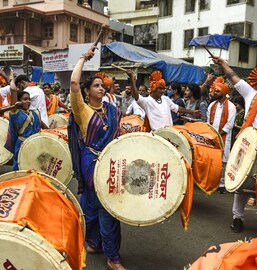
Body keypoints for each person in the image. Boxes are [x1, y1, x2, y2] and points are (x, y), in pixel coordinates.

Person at [67, 47, 127, 270]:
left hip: (110, 161)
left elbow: (117, 134)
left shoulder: (111, 110)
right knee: (108, 207)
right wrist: (83, 58)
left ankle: (93, 242)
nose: (102, 88)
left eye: (103, 86)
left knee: (92, 204)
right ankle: (113, 257)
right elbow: (73, 83)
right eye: (96, 85)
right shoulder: (81, 110)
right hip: (91, 162)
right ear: (86, 90)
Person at [212, 57, 257, 233]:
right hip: (249, 148)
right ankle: (237, 218)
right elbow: (234, 77)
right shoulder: (251, 95)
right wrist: (222, 64)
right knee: (241, 183)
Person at [127, 70, 201, 131]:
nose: (163, 91)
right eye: (160, 89)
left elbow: (177, 108)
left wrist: (192, 112)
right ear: (154, 89)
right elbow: (135, 96)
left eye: (164, 89)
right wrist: (131, 79)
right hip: (157, 134)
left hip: (170, 132)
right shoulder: (146, 101)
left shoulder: (165, 99)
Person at [5, 89, 49, 170]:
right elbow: (13, 90)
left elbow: (43, 126)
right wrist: (11, 80)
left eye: (29, 99)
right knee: (21, 167)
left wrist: (51, 132)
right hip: (22, 145)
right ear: (18, 102)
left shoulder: (35, 112)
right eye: (25, 99)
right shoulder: (15, 113)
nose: (28, 101)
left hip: (36, 144)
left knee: (36, 167)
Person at [206, 77, 236, 194]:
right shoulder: (212, 105)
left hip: (224, 137)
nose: (214, 93)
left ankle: (222, 184)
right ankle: (213, 182)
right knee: (212, 159)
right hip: (212, 136)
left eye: (217, 91)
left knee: (223, 161)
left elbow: (230, 124)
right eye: (215, 91)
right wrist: (211, 134)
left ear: (223, 93)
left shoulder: (231, 107)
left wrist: (219, 134)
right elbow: (209, 122)